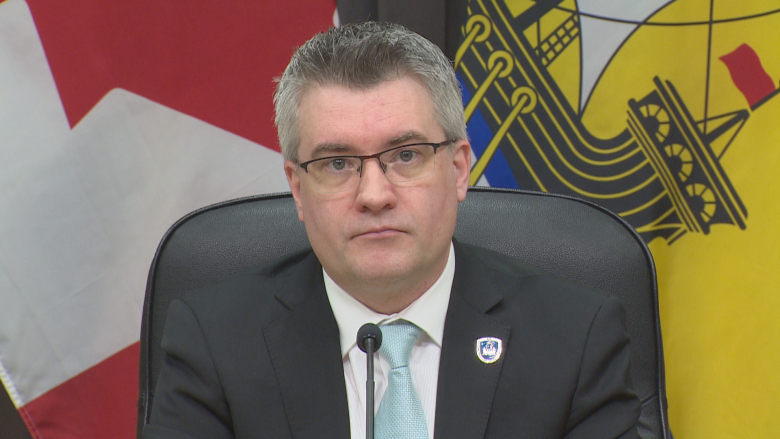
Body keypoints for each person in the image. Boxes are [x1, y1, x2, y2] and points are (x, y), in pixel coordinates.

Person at [143, 22, 640, 439]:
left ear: (460, 168)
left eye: (406, 156)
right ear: (297, 188)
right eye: (337, 163)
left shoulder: (574, 335)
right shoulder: (215, 341)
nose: (374, 194)